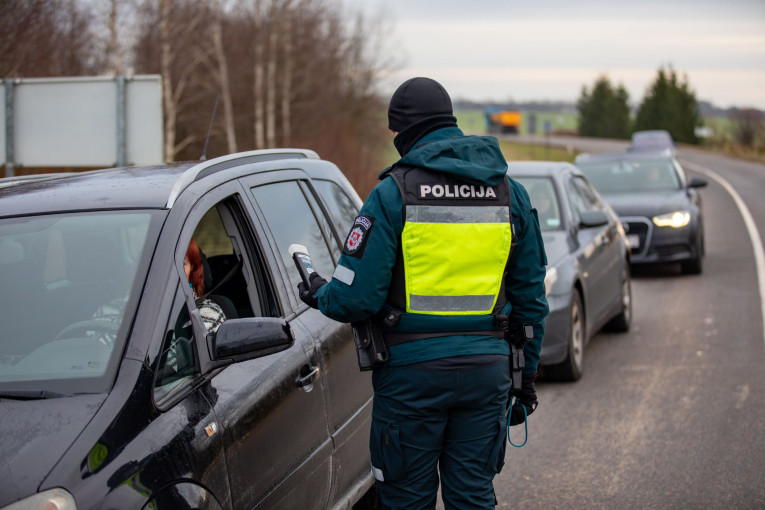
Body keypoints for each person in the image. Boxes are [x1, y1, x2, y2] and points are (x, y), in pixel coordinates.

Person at [298, 77, 548, 509]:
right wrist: (525, 380)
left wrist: (319, 292)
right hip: (486, 374)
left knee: (406, 500)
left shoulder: (393, 193)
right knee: (472, 496)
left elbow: (356, 299)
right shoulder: (510, 193)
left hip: (410, 379)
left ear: (405, 132)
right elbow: (531, 301)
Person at [184, 238, 226, 334]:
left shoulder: (208, 312)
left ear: (193, 270)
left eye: (183, 264)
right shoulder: (145, 307)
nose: (174, 272)